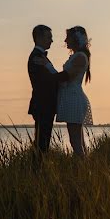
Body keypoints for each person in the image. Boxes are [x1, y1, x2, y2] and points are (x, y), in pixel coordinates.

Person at [34, 26, 93, 158]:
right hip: (70, 98)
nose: (65, 40)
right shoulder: (78, 56)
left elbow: (65, 78)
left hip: (73, 99)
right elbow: (63, 78)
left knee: (75, 141)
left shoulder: (80, 57)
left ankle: (83, 168)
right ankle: (84, 168)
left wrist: (47, 66)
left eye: (68, 37)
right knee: (78, 140)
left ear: (75, 39)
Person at [27, 24, 64, 153]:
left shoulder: (41, 56)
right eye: (49, 37)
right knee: (42, 143)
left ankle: (39, 169)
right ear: (39, 38)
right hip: (43, 104)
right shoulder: (37, 57)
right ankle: (37, 170)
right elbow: (49, 80)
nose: (51, 40)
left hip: (44, 105)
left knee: (43, 142)